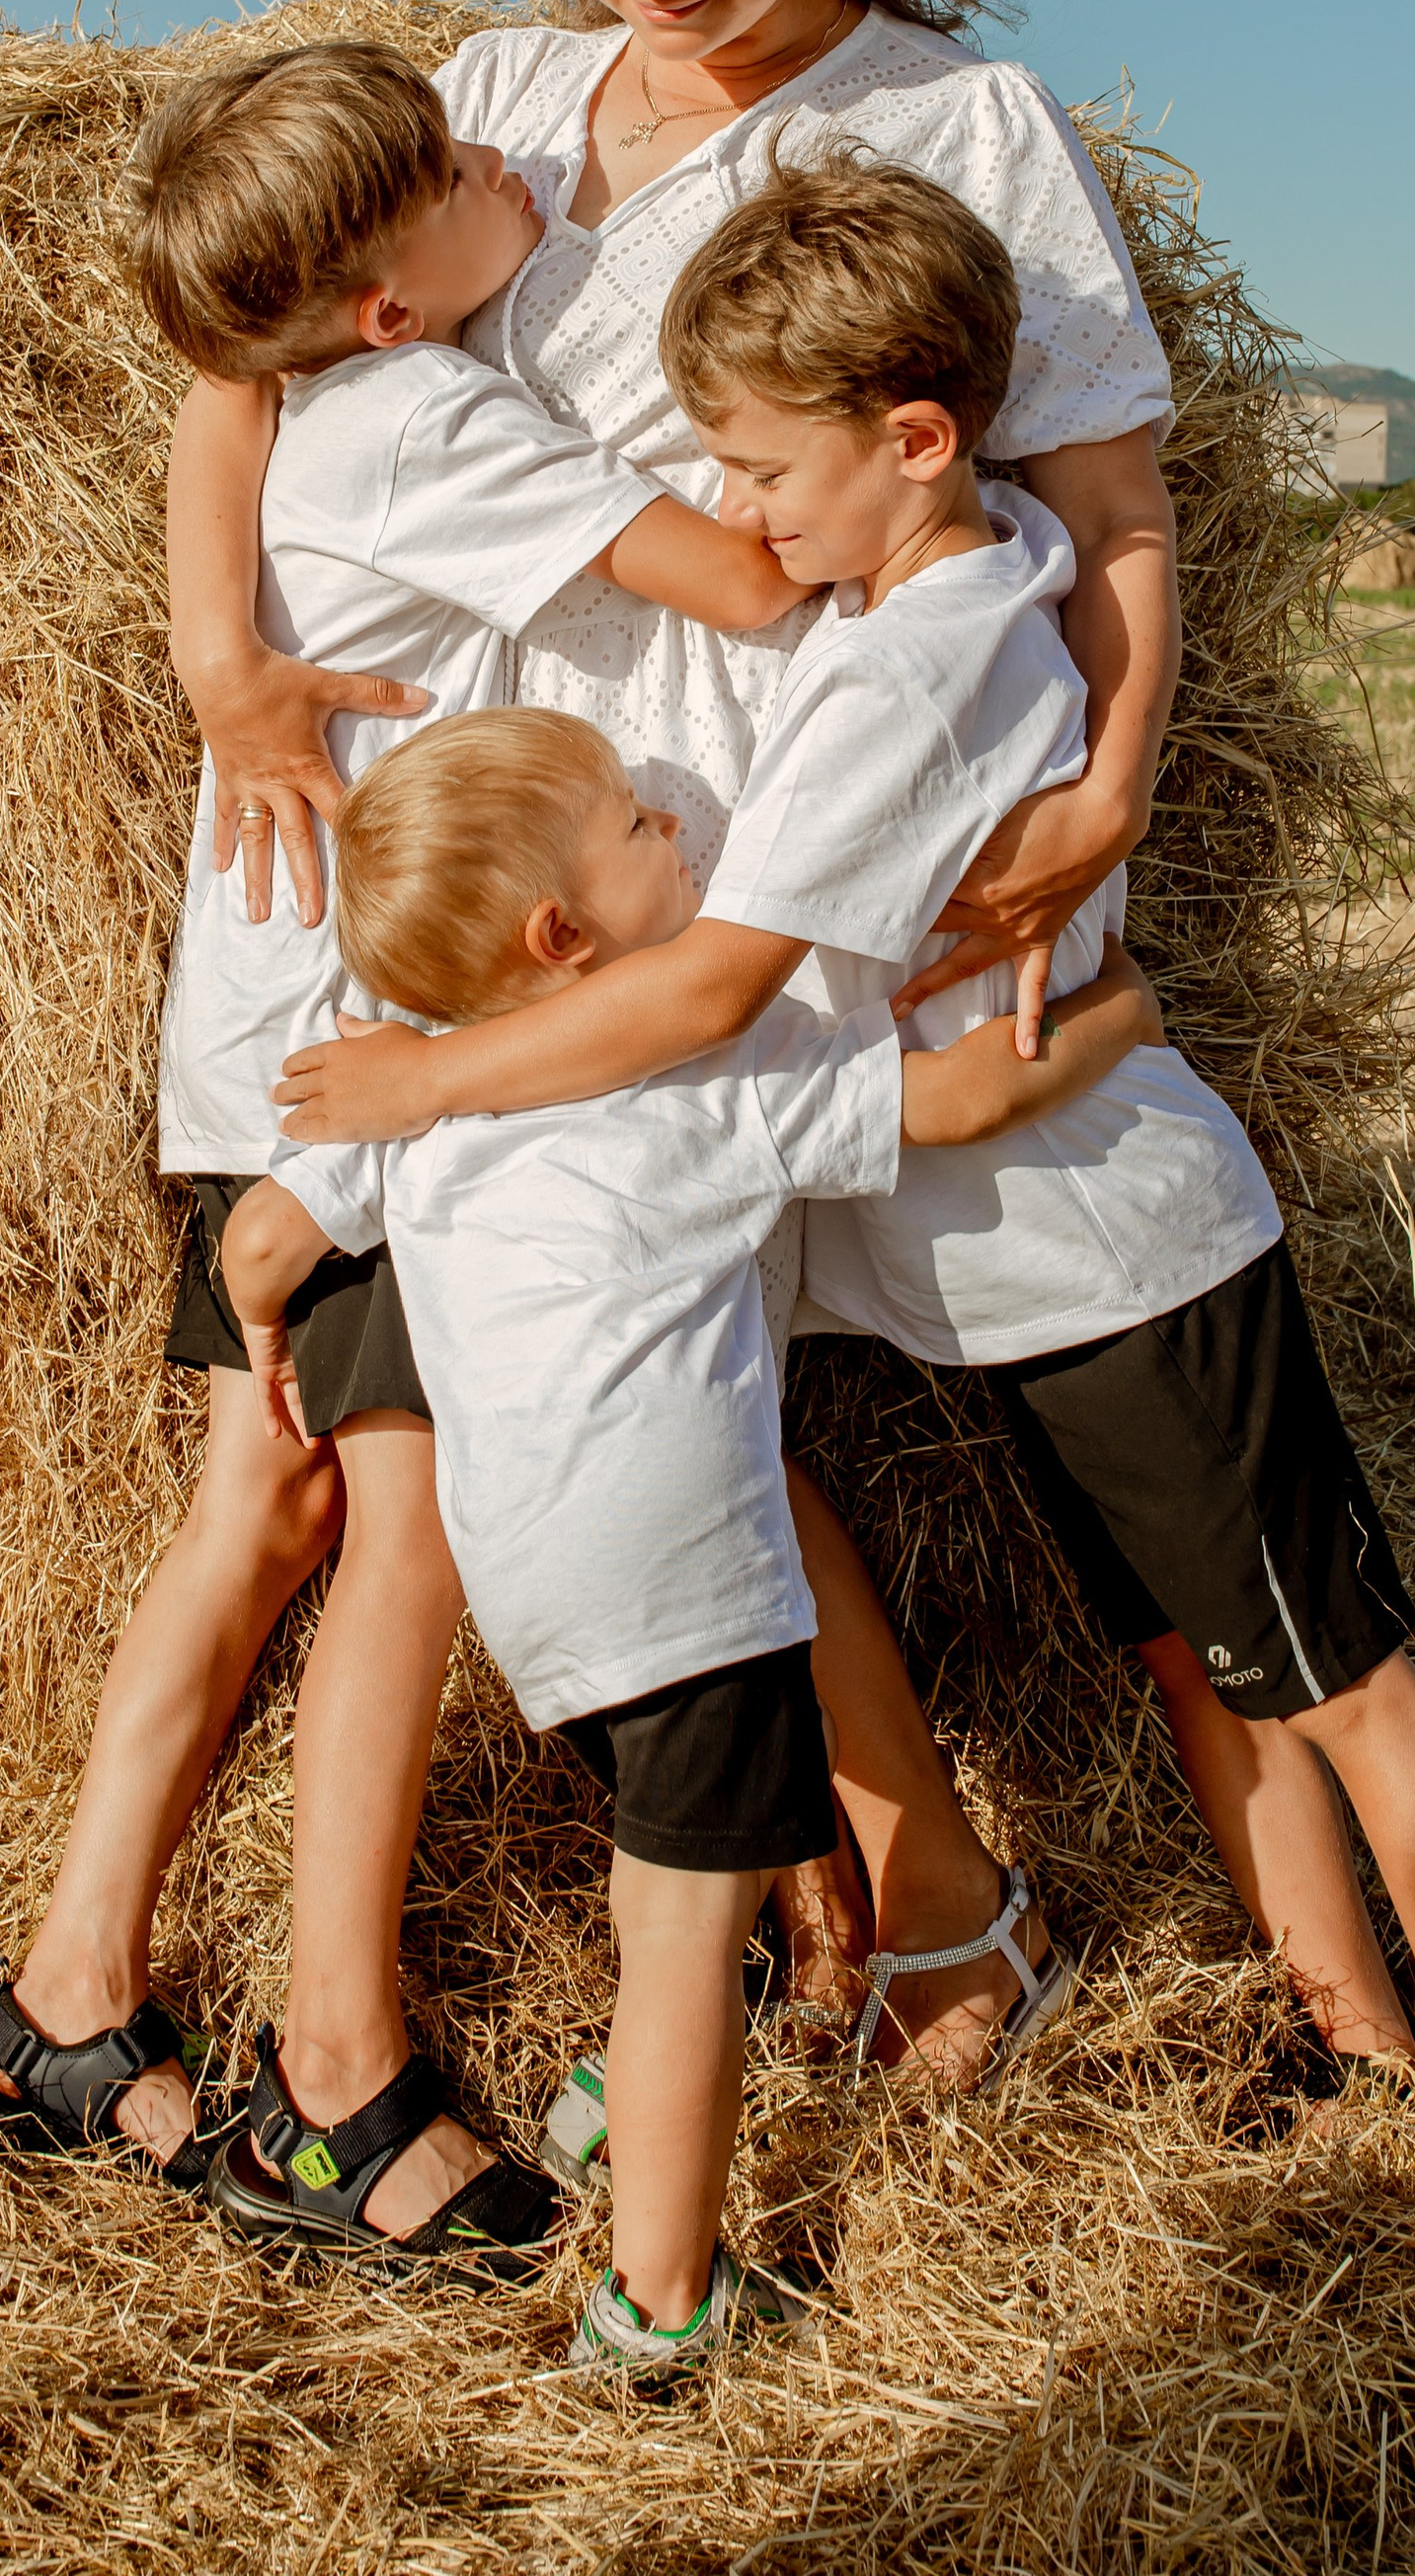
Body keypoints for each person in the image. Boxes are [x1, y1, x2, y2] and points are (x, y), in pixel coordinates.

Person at [170, 0, 1192, 2104]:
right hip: (536, 858)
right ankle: (865, 1901)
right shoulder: (490, 90)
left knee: (716, 1382)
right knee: (636, 1376)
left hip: (778, 837)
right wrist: (222, 660)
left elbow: (1109, 504)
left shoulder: (964, 129)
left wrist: (1121, 774)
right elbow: (235, 358)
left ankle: (906, 1910)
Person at [281, 160, 1415, 2088]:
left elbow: (712, 988)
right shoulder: (979, 571)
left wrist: (423, 1080)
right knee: (1212, 1678)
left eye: (766, 475)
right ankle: (1358, 2049)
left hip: (1117, 1255)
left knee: (1331, 1672)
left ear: (919, 438)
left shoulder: (899, 674)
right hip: (1028, 1273)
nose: (736, 513)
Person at [0, 36, 818, 2238]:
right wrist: (877, 483)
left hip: (254, 1039)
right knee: (404, 1527)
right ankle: (333, 2069)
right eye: (453, 166)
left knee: (257, 1510)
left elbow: (216, 387)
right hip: (347, 1081)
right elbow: (741, 591)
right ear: (376, 303)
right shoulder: (433, 415)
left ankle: (70, 1991)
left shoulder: (311, 395)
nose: (499, 162)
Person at [245, 708, 1166, 2378]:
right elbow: (955, 1098)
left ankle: (611, 2098)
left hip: (532, 1600)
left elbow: (295, 1211)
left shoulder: (419, 1107)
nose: (673, 814)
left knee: (672, 1873)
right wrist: (1123, 1015)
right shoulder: (700, 1078)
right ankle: (661, 2302)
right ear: (567, 938)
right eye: (633, 824)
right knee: (678, 1932)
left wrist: (257, 1257)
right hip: (690, 1587)